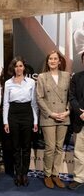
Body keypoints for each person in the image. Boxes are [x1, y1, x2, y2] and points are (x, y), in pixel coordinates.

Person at [36, 50, 70, 189]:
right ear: (47, 61)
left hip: (64, 116)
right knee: (50, 147)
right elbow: (39, 98)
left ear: (59, 61)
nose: (53, 61)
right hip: (48, 117)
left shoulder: (67, 76)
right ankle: (47, 175)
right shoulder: (42, 77)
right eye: (50, 59)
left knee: (59, 147)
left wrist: (68, 111)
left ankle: (56, 174)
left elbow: (71, 96)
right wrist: (51, 113)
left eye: (55, 59)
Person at [3, 56, 38, 187]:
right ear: (13, 68)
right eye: (16, 66)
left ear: (24, 67)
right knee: (16, 147)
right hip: (13, 114)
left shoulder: (31, 82)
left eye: (20, 66)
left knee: (26, 147)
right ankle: (18, 173)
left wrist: (35, 121)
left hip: (27, 113)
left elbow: (34, 103)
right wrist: (5, 122)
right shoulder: (8, 83)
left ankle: (25, 174)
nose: (18, 68)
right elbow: (6, 103)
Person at [68, 51, 84, 190]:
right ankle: (79, 178)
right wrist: (79, 112)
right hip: (80, 121)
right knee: (79, 152)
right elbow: (71, 97)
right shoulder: (76, 77)